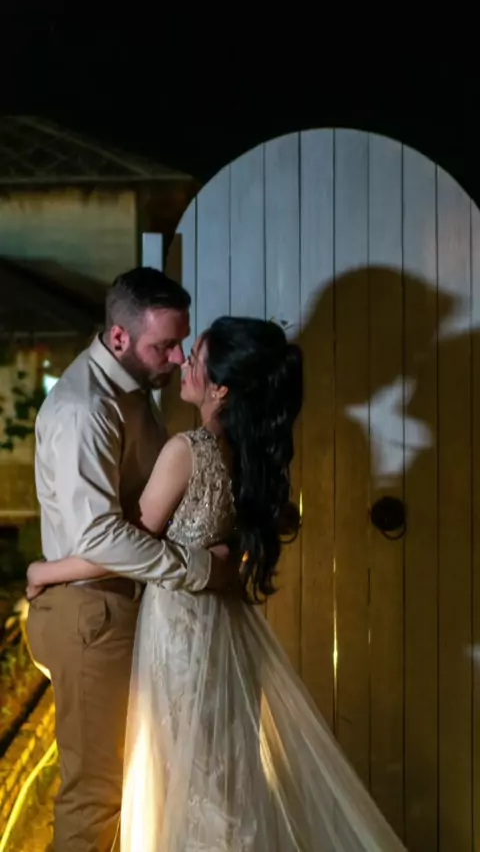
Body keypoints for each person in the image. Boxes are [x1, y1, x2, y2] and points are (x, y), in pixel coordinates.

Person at [27, 317, 407, 852]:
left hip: (180, 631)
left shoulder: (187, 450)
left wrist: (45, 571)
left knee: (185, 776)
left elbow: (125, 545)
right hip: (221, 628)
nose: (183, 361)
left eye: (196, 356)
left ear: (221, 387)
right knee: (219, 772)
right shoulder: (243, 454)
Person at [26, 269, 234, 852]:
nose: (176, 358)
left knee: (132, 787)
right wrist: (197, 568)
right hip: (91, 615)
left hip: (119, 608)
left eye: (181, 343)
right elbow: (99, 536)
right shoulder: (85, 408)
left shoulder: (134, 390)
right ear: (119, 337)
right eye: (163, 346)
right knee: (95, 795)